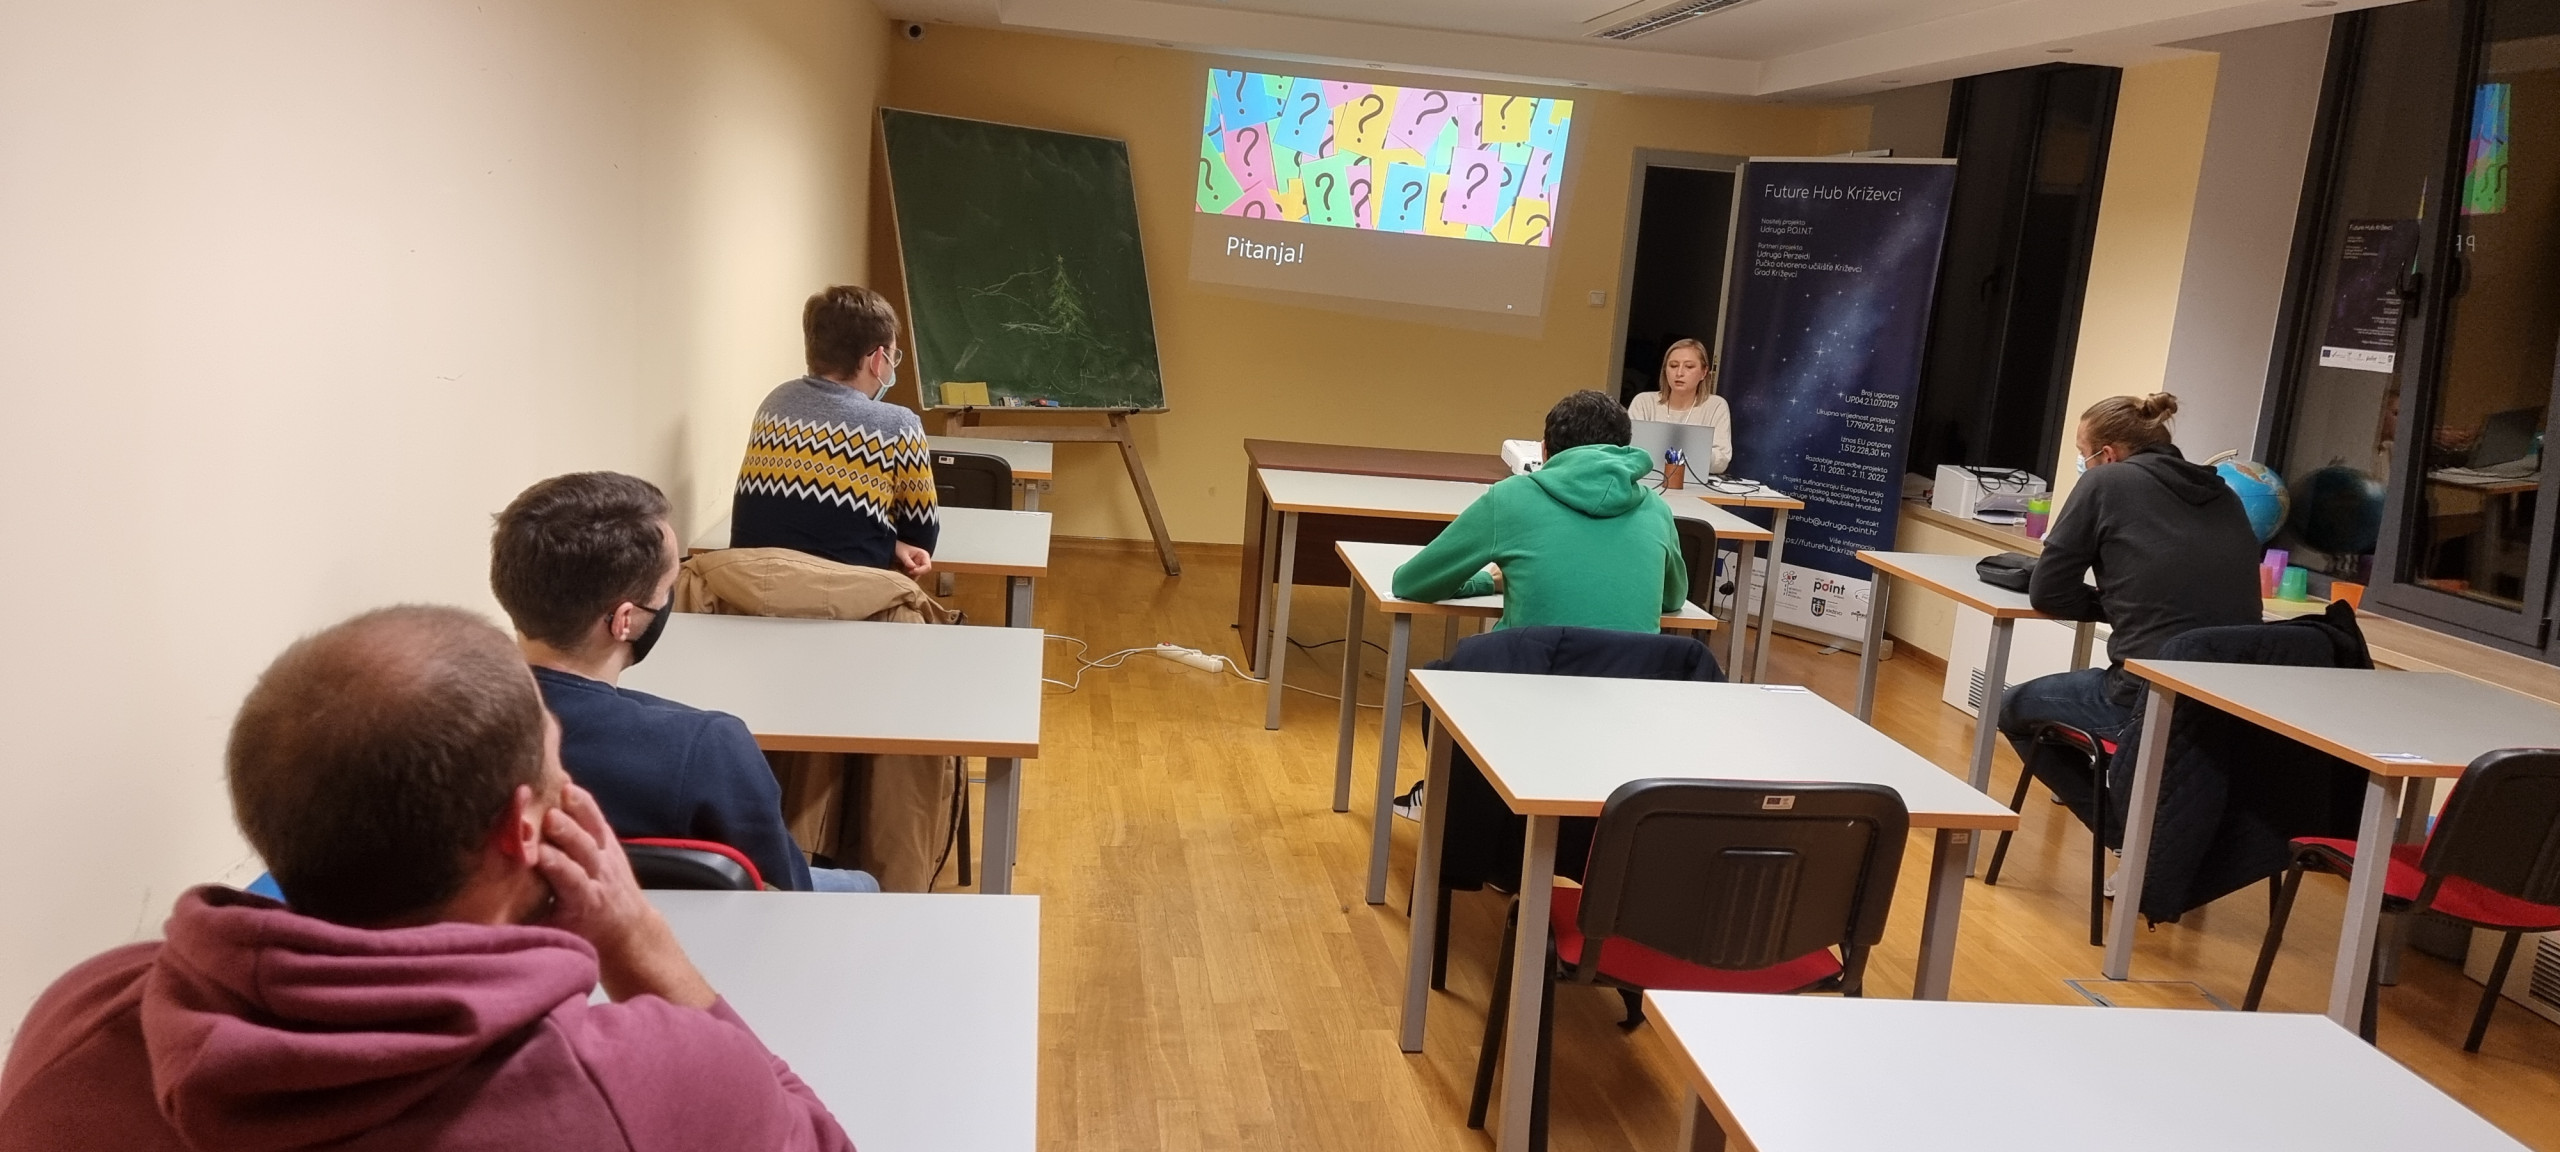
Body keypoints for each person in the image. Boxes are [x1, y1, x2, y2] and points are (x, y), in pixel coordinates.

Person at [0, 606, 853, 1151]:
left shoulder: (81, 1016)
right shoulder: (648, 1082)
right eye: (555, 765)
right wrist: (641, 944)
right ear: (524, 828)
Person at [492, 471, 878, 893]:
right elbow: (784, 895)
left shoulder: (451, 726)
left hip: (524, 917)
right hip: (685, 930)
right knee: (861, 885)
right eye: (668, 587)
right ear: (624, 620)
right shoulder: (707, 748)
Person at [1997, 392, 2262, 806]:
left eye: (2082, 453)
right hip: (2232, 705)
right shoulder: (2224, 495)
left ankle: (2118, 827)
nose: (2082, 462)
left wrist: (2109, 606)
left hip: (2144, 695)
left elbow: (2048, 591)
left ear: (2108, 454)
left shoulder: (2104, 482)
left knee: (2012, 708)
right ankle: (2132, 814)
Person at [1392, 389, 1686, 633]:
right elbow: (1672, 599)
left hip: (1529, 677)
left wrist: (1487, 582)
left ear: (1544, 452)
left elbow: (1411, 583)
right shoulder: (1657, 509)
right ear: (1624, 450)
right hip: (1631, 680)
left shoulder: (1509, 498)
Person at [733, 284, 937, 579]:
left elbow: (793, 521)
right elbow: (921, 537)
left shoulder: (774, 403)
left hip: (750, 590)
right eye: (893, 357)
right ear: (877, 360)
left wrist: (888, 543)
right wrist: (890, 543)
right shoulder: (899, 426)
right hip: (847, 596)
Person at [1624, 338, 1733, 473]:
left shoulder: (1716, 406)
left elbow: (1721, 461)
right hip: (1647, 479)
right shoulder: (1643, 402)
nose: (1679, 373)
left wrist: (1681, 456)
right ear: (1665, 370)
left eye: (1689, 367)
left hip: (1697, 482)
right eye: (1673, 366)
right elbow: (1630, 451)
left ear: (1704, 372)